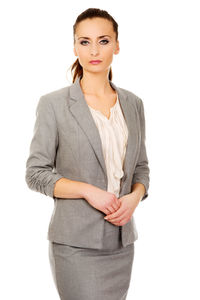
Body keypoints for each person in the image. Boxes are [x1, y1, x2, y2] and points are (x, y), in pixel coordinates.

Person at [25, 8, 150, 300]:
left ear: (117, 46)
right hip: (75, 245)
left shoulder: (133, 104)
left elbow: (141, 167)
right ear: (74, 47)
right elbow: (35, 173)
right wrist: (87, 191)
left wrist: (134, 197)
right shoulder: (53, 104)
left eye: (103, 41)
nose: (94, 50)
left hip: (121, 244)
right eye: (85, 41)